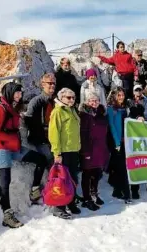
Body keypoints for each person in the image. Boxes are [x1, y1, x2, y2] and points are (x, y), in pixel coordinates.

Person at [0, 82, 49, 228]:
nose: (19, 95)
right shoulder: (0, 109)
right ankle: (7, 215)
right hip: (1, 148)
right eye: (17, 93)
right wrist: (10, 138)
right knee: (5, 181)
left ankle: (35, 190)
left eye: (21, 93)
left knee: (41, 159)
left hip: (15, 147)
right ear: (9, 92)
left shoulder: (12, 108)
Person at [48, 88, 82, 219]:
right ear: (61, 98)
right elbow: (53, 133)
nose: (71, 100)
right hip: (63, 151)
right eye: (68, 97)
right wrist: (57, 153)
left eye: (73, 97)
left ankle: (71, 202)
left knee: (73, 179)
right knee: (61, 180)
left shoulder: (72, 110)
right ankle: (59, 207)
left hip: (73, 150)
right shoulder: (57, 112)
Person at [23, 73, 56, 203]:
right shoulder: (36, 101)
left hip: (52, 137)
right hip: (40, 138)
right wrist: (42, 131)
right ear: (42, 84)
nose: (52, 85)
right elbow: (29, 119)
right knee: (48, 158)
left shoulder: (54, 101)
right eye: (49, 83)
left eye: (53, 83)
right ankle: (37, 190)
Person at [79, 92, 109, 210]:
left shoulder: (102, 114)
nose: (94, 102)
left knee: (97, 173)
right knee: (87, 174)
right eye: (91, 100)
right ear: (87, 102)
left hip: (100, 148)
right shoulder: (83, 115)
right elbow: (83, 134)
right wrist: (85, 151)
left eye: (96, 100)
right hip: (88, 149)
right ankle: (87, 198)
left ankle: (94, 193)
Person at [107, 87, 132, 203]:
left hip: (125, 141)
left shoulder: (125, 108)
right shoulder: (111, 109)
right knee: (122, 168)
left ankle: (117, 190)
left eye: (122, 95)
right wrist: (117, 143)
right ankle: (127, 194)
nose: (121, 97)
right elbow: (112, 127)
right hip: (117, 142)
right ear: (114, 96)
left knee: (119, 167)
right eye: (119, 95)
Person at [125, 84, 145, 199]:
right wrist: (136, 117)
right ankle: (131, 187)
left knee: (140, 159)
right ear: (133, 92)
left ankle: (136, 187)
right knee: (132, 160)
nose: (138, 92)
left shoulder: (145, 101)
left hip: (142, 133)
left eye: (139, 90)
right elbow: (128, 114)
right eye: (136, 90)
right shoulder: (129, 101)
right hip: (131, 133)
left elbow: (146, 114)